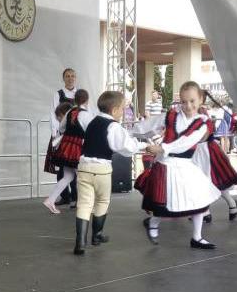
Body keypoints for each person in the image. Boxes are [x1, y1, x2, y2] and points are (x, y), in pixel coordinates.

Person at [133, 81, 221, 249]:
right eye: (184, 101)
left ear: (201, 99)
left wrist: (162, 148)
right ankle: (153, 223)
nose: (188, 105)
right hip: (165, 165)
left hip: (186, 165)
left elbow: (186, 142)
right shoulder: (170, 116)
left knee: (199, 200)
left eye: (192, 101)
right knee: (165, 202)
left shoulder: (203, 123)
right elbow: (147, 126)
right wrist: (128, 133)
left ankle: (197, 237)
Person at [73, 91, 156, 255]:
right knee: (102, 201)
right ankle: (96, 236)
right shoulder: (113, 126)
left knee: (84, 204)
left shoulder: (92, 122)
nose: (123, 112)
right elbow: (126, 146)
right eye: (122, 109)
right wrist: (144, 145)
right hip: (102, 169)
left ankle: (80, 242)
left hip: (83, 167)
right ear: (114, 110)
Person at [191, 91, 237, 222]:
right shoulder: (196, 112)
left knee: (210, 181)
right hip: (200, 150)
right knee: (209, 181)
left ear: (199, 99)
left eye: (192, 99)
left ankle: (208, 211)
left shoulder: (201, 112)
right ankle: (213, 209)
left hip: (205, 150)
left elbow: (204, 136)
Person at [43, 91, 92, 214]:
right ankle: (86, 204)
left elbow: (61, 128)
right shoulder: (86, 114)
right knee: (83, 177)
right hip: (77, 149)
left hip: (66, 147)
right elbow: (91, 131)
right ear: (87, 100)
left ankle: (51, 200)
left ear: (75, 99)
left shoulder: (70, 112)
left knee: (68, 176)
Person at [47, 68, 79, 206]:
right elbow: (53, 114)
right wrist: (56, 133)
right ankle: (65, 196)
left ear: (75, 78)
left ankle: (76, 197)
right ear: (63, 78)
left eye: (72, 76)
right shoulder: (58, 94)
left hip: (75, 136)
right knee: (61, 167)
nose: (70, 78)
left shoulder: (79, 94)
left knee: (75, 167)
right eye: (67, 76)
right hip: (61, 136)